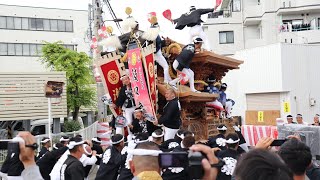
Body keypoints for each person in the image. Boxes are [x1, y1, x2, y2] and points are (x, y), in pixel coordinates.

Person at [112, 74, 136, 140]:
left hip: (136, 106)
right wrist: (116, 105)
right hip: (128, 108)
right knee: (129, 122)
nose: (125, 81)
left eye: (126, 79)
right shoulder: (123, 89)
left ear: (129, 79)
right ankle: (130, 136)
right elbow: (120, 98)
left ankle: (137, 134)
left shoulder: (135, 86)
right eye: (124, 80)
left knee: (137, 120)